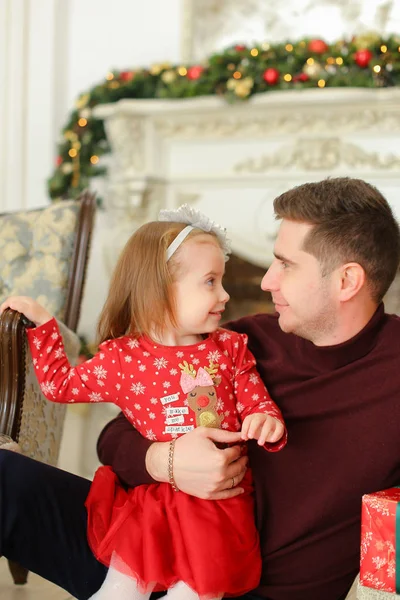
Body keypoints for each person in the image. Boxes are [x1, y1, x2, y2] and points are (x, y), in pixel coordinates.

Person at [0, 175, 399, 600]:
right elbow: (114, 433)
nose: (267, 282)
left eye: (286, 264)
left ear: (346, 281)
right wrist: (164, 460)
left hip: (245, 585)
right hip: (152, 545)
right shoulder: (241, 341)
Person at [0, 204, 286, 600]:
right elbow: (60, 385)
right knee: (121, 587)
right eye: (210, 281)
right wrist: (44, 325)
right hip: (150, 508)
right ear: (161, 288)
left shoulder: (231, 349)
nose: (224, 294)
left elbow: (257, 401)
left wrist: (265, 420)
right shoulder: (122, 358)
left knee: (197, 590)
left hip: (216, 508)